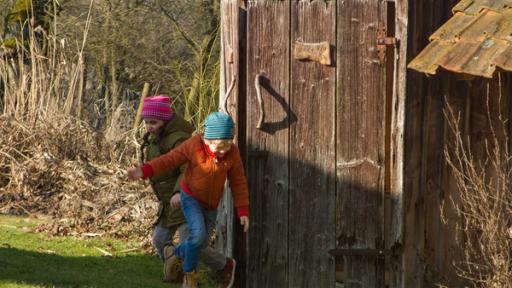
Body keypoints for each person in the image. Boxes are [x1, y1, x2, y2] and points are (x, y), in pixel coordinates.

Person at [128, 111, 249, 288]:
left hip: (211, 205)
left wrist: (243, 210)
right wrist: (144, 170)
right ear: (207, 139)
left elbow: (238, 182)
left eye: (228, 144)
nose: (223, 150)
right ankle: (190, 277)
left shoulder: (232, 154)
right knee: (197, 236)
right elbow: (169, 160)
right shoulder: (194, 145)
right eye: (219, 146)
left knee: (200, 243)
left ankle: (175, 254)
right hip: (191, 197)